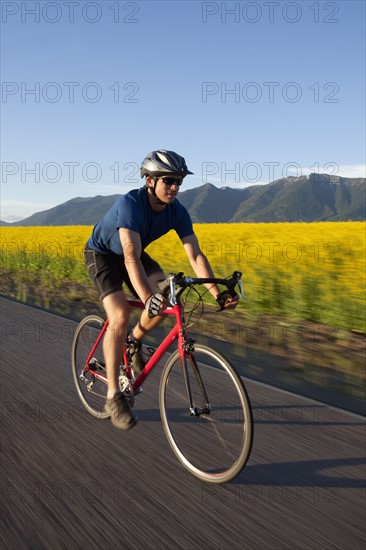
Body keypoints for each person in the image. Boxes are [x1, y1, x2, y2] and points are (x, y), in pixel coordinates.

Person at [84, 149, 238, 430]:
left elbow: (196, 256)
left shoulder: (177, 211)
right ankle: (112, 397)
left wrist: (218, 293)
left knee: (167, 300)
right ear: (150, 181)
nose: (175, 187)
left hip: (135, 254)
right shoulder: (131, 204)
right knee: (119, 314)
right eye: (169, 180)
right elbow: (129, 256)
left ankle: (133, 342)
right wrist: (146, 298)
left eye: (179, 181)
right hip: (104, 255)